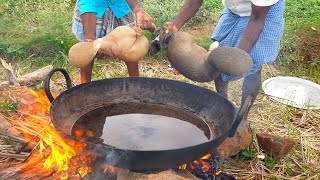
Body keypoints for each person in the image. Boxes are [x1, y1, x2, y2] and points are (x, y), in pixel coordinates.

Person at [163, 0, 285, 156]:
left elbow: (256, 19)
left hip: (261, 14)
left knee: (252, 66)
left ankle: (242, 119)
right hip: (234, 10)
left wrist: (236, 56)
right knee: (217, 60)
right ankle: (223, 106)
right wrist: (175, 24)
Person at [72, 0, 156, 83]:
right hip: (91, 5)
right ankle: (84, 87)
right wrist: (90, 38)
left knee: (131, 43)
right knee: (87, 48)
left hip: (120, 5)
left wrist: (138, 10)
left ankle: (135, 84)